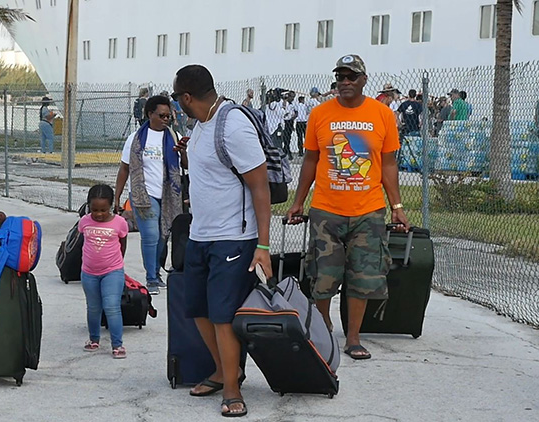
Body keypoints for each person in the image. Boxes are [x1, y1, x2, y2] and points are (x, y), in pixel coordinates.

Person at [286, 54, 409, 361]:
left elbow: (389, 164)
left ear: (364, 80)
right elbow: (311, 161)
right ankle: (324, 328)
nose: (344, 82)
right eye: (340, 77)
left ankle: (352, 336)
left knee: (363, 276)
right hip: (327, 210)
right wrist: (298, 201)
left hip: (368, 210)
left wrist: (396, 205)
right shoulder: (320, 114)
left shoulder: (382, 114)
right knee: (323, 275)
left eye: (351, 77)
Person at [172, 64, 272, 418]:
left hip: (233, 238)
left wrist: (263, 246)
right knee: (198, 309)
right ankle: (223, 370)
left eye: (177, 98)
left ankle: (232, 388)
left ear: (186, 97)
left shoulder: (233, 125)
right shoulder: (200, 126)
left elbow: (260, 187)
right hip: (200, 234)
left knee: (223, 316)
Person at [113, 95, 184, 295]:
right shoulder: (135, 138)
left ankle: (156, 272)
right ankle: (151, 278)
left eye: (168, 116)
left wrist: (183, 152)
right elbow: (124, 169)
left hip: (169, 195)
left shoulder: (173, 136)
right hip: (143, 195)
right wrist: (117, 197)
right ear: (149, 114)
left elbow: (185, 165)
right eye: (161, 115)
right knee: (151, 236)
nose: (165, 119)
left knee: (163, 236)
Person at [79, 184, 129, 359]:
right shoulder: (84, 221)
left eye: (104, 210)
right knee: (93, 307)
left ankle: (117, 345)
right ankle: (94, 339)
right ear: (89, 206)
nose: (99, 214)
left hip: (112, 272)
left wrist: (117, 264)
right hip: (89, 272)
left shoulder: (120, 223)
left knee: (111, 307)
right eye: (95, 210)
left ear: (111, 207)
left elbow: (122, 243)